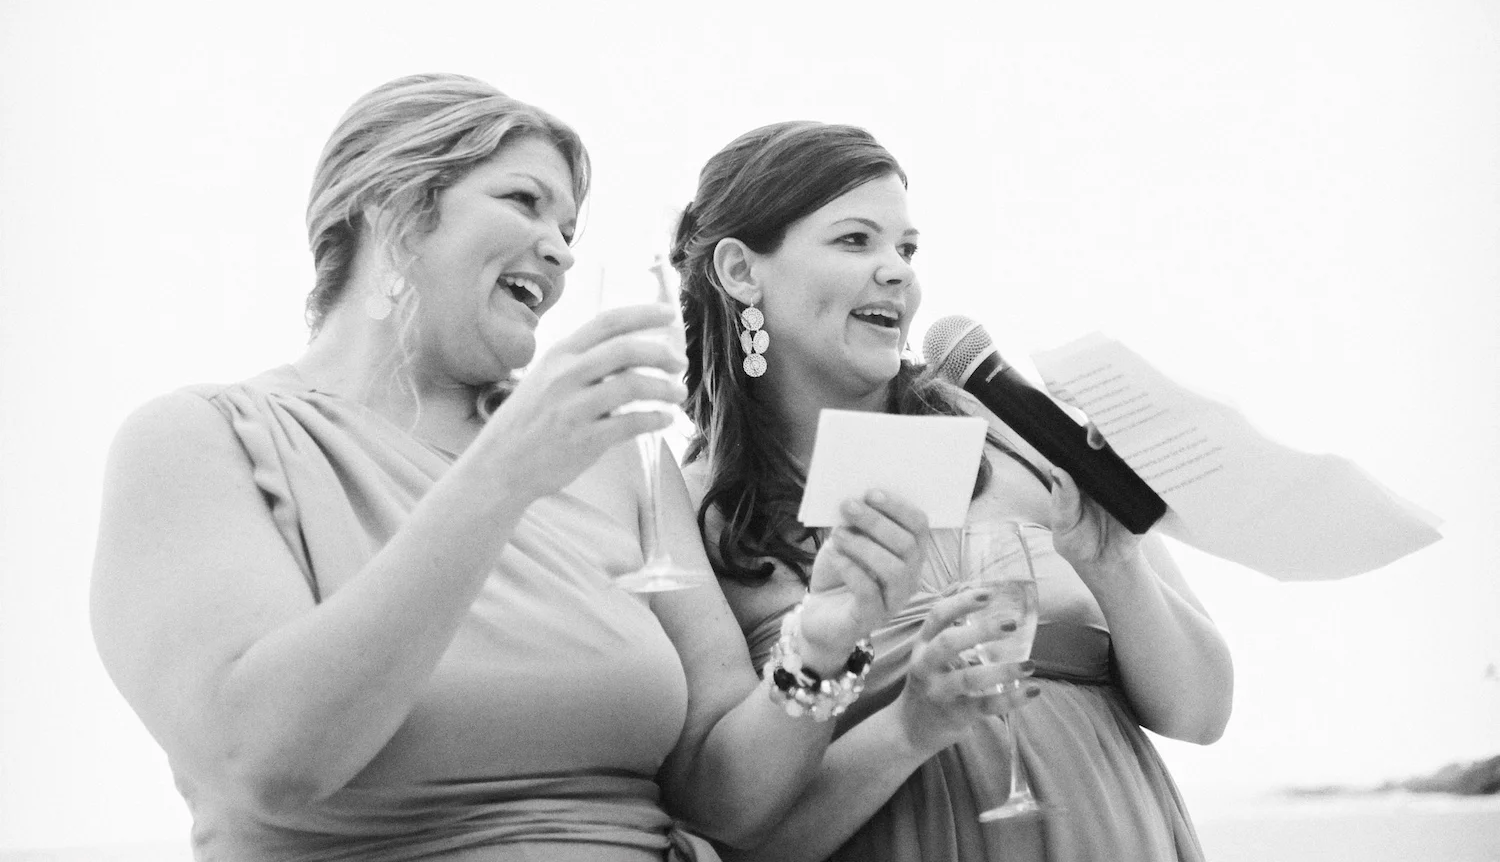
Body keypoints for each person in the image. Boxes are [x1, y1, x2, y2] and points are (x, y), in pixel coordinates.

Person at [89, 76, 936, 862]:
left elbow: (728, 801)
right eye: (524, 202)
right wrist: (503, 476)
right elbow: (266, 758)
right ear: (392, 211)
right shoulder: (200, 440)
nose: (560, 252)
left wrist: (819, 647)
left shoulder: (617, 457)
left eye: (568, 230)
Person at [669, 120, 1235, 861]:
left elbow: (1201, 712)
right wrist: (906, 727)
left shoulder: (1012, 430)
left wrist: (1114, 564)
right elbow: (735, 829)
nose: (897, 272)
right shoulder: (689, 509)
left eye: (906, 249)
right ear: (741, 270)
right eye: (855, 241)